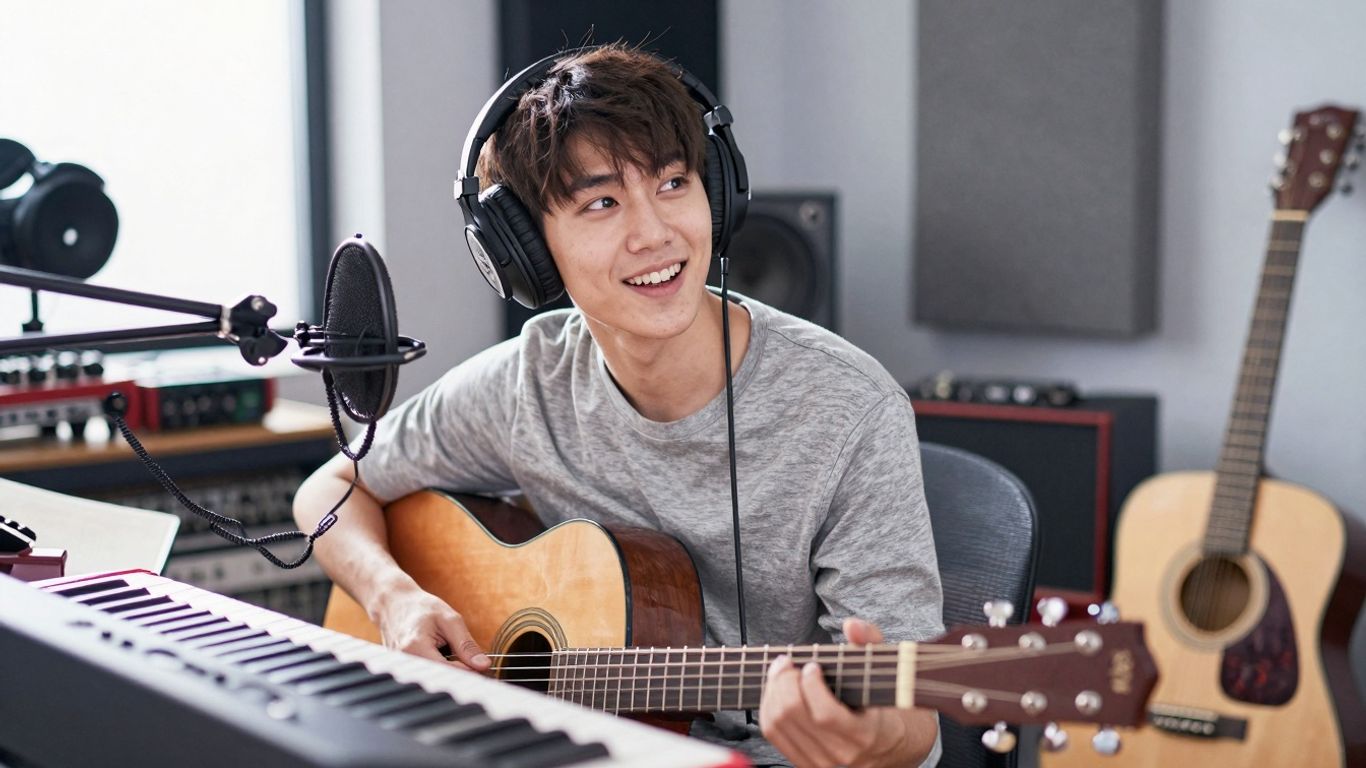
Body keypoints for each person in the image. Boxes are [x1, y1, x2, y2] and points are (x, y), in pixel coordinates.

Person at [294, 43, 943, 768]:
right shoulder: (527, 384)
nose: (654, 233)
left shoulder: (849, 411)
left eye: (672, 183)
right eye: (602, 202)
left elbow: (914, 726)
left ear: (716, 193)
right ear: (526, 253)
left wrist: (870, 740)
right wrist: (394, 600)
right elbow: (332, 487)